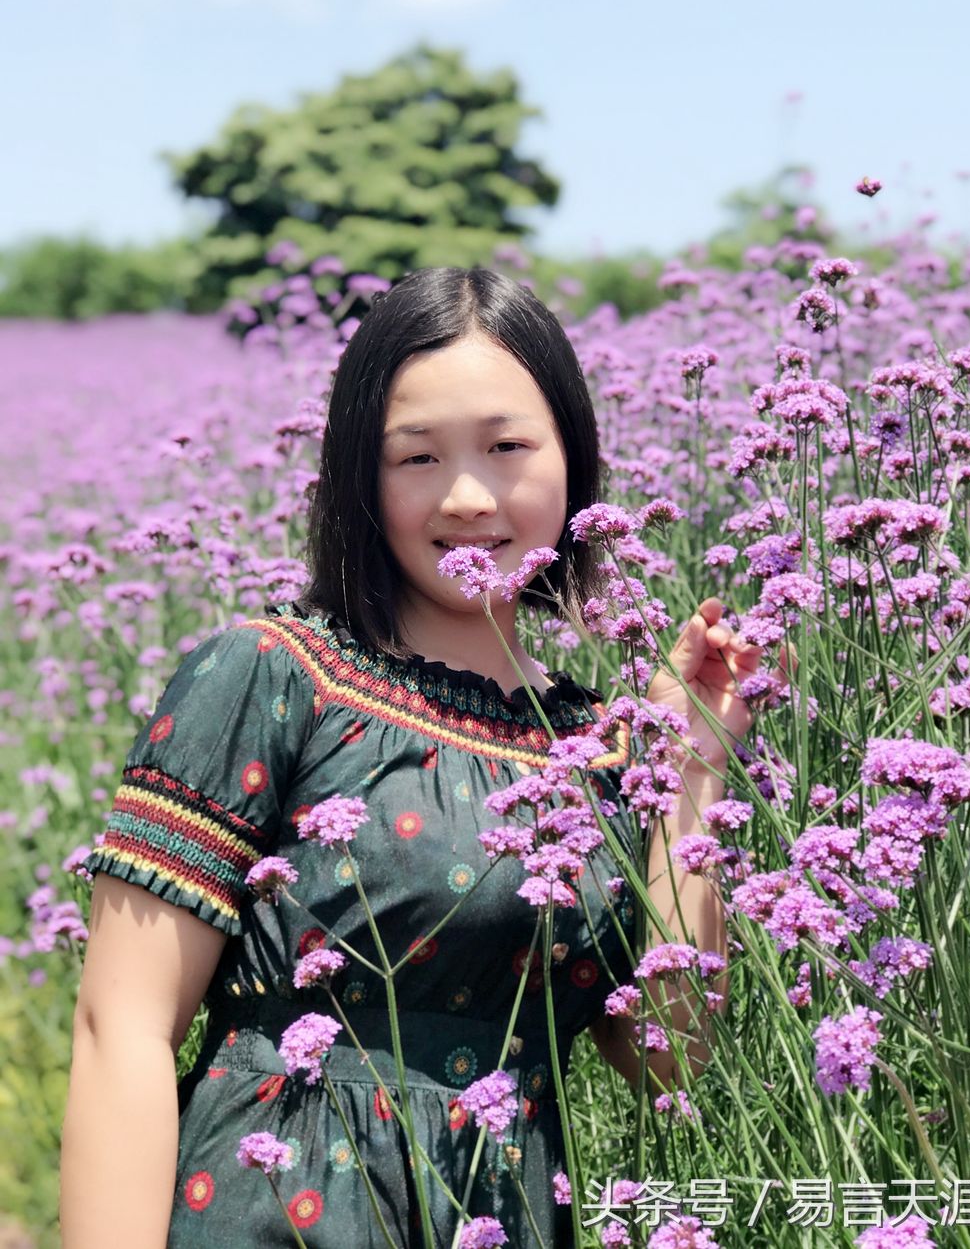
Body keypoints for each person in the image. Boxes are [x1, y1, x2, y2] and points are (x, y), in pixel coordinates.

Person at [60, 267, 770, 1248]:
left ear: (573, 456)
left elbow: (664, 1057)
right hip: (273, 1212)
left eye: (508, 447)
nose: (469, 494)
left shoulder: (598, 752)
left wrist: (690, 762)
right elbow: (121, 1032)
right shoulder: (274, 678)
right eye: (418, 457)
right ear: (362, 475)